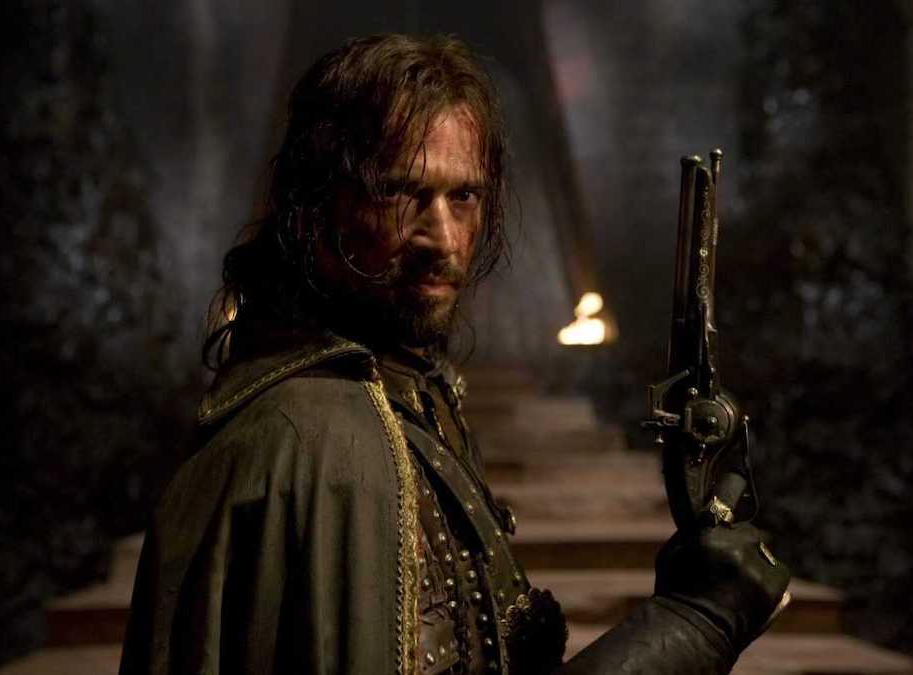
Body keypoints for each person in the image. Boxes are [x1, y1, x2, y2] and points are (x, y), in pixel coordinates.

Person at [118, 33, 790, 675]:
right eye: (398, 192)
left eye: (462, 195)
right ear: (317, 206)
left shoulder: (408, 398)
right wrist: (694, 622)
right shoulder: (312, 446)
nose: (441, 238)